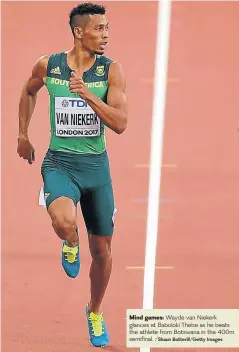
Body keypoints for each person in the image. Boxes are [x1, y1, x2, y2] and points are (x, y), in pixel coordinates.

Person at [17, 2, 128, 347]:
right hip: (59, 162)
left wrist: (87, 96)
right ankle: (69, 242)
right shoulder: (48, 65)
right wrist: (23, 135)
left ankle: (94, 310)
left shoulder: (111, 71)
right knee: (64, 221)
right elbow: (29, 91)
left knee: (103, 252)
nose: (106, 35)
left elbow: (121, 124)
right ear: (79, 32)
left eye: (108, 28)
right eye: (99, 29)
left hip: (96, 168)